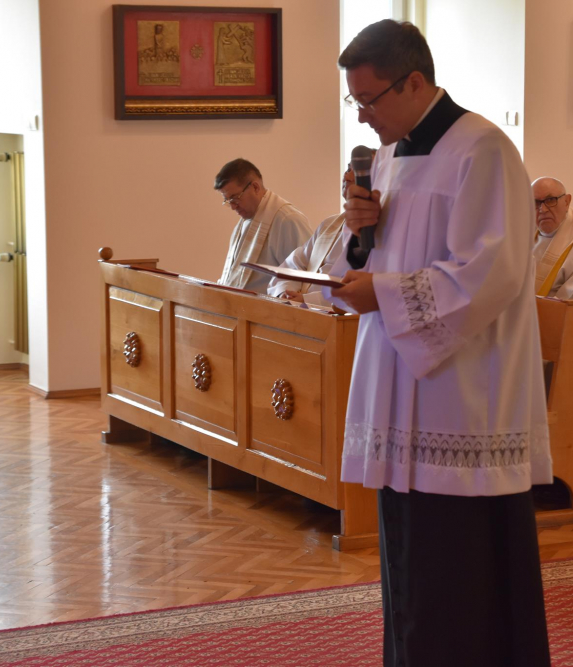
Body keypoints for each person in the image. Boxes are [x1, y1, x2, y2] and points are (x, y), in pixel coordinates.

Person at [323, 19, 552, 666]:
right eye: (353, 101)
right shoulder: (390, 156)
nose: (362, 116)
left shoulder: (483, 149)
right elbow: (376, 258)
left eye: (369, 99)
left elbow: (491, 272)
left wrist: (384, 294)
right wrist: (360, 235)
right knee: (409, 563)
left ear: (414, 82)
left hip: (461, 393)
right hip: (401, 380)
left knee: (457, 568)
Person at [267, 154, 374, 305]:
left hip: (336, 315)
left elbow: (362, 290)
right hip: (300, 310)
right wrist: (285, 292)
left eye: (355, 171)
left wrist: (307, 300)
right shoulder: (329, 225)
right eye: (348, 169)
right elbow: (294, 264)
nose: (346, 176)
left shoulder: (378, 233)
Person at [215, 158, 311, 294]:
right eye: (227, 200)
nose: (232, 206)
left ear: (255, 187)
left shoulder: (287, 219)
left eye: (235, 198)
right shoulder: (244, 221)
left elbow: (304, 277)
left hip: (269, 307)